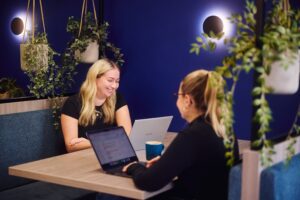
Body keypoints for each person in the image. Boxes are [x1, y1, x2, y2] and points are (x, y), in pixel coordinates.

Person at [122, 69, 239, 200]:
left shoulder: (193, 134)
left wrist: (134, 166)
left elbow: (148, 182)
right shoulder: (224, 129)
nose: (177, 99)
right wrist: (167, 162)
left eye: (178, 95)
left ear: (187, 100)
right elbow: (201, 164)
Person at [61, 59, 132, 153]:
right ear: (95, 78)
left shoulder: (118, 99)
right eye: (110, 80)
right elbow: (71, 146)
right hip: (81, 159)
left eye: (117, 81)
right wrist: (111, 141)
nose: (114, 86)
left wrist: (90, 142)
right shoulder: (72, 103)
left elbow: (127, 136)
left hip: (109, 155)